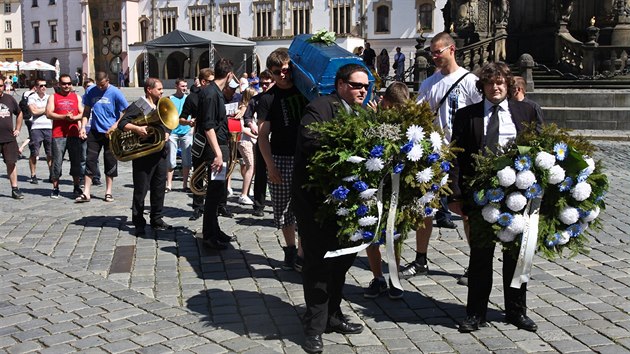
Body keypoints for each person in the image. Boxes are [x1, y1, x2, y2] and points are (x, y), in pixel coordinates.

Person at [448, 62, 540, 333]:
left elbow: (540, 152)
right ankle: (476, 313)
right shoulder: (467, 115)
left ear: (509, 85)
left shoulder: (527, 111)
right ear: (482, 87)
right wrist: (455, 193)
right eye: (490, 83)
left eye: (500, 82)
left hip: (518, 196)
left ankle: (516, 311)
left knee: (516, 256)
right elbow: (456, 156)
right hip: (480, 196)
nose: (495, 87)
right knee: (480, 257)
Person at [293, 63, 369, 354]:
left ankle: (333, 316)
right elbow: (312, 142)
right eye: (356, 85)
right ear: (340, 84)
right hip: (317, 204)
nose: (362, 90)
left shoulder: (362, 113)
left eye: (365, 86)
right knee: (318, 264)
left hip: (350, 204)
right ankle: (313, 328)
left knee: (343, 261)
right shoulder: (320, 107)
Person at [401, 32, 482, 285]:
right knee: (424, 208)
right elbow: (417, 114)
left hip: (461, 156)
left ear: (452, 49)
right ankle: (421, 259)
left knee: (467, 213)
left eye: (438, 52)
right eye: (432, 53)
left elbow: (482, 115)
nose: (434, 57)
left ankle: (474, 265)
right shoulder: (429, 84)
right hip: (434, 156)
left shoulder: (470, 81)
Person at [256, 48, 309, 271]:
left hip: (304, 155)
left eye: (286, 70)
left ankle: (302, 253)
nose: (283, 75)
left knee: (305, 207)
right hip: (280, 157)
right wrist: (270, 165)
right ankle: (290, 248)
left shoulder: (304, 90)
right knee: (284, 209)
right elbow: (262, 136)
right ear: (271, 73)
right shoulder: (268, 98)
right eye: (278, 72)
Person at [364, 82, 409, 300]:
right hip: (374, 184)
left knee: (395, 234)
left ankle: (394, 277)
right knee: (371, 232)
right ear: (386, 102)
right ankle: (378, 277)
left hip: (397, 187)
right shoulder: (371, 118)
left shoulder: (407, 123)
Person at [118, 78, 172, 236]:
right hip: (143, 154)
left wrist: (168, 133)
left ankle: (157, 219)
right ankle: (138, 222)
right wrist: (137, 129)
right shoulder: (138, 105)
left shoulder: (162, 104)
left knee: (159, 188)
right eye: (159, 89)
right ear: (149, 89)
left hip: (160, 152)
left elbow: (169, 123)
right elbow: (122, 123)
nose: (162, 92)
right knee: (141, 190)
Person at [198, 59, 236, 250]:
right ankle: (209, 236)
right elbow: (208, 126)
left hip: (221, 146)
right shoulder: (211, 94)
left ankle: (215, 230)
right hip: (216, 149)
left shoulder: (216, 92)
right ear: (229, 75)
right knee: (214, 193)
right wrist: (218, 154)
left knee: (219, 191)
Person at [77, 72, 128, 203]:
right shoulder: (90, 91)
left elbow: (126, 112)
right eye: (98, 85)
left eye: (103, 85)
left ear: (108, 81)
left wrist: (115, 126)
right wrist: (83, 127)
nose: (100, 87)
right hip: (95, 131)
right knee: (90, 159)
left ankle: (108, 191)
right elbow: (86, 111)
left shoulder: (115, 92)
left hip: (111, 133)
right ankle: (86, 192)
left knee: (110, 161)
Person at [45, 74, 85, 199]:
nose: (66, 86)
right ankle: (55, 187)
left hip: (73, 133)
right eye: (64, 83)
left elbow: (82, 113)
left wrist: (73, 118)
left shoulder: (76, 97)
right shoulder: (54, 97)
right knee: (57, 162)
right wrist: (63, 117)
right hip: (58, 134)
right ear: (59, 84)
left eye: (68, 83)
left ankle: (76, 186)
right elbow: (48, 113)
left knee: (76, 161)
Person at [185, 68, 214, 221]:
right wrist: (189, 121)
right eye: (210, 82)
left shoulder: (215, 94)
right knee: (197, 174)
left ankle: (217, 205)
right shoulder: (192, 98)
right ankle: (197, 207)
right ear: (203, 82)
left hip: (214, 139)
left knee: (215, 175)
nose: (213, 84)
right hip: (199, 140)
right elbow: (182, 117)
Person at [243, 69, 273, 217]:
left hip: (278, 140)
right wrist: (251, 125)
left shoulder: (278, 98)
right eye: (262, 83)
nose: (265, 86)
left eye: (268, 83)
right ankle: (259, 204)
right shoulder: (256, 99)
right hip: (262, 139)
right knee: (260, 172)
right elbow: (247, 116)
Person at [0, 74, 25, 199]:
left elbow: (19, 113)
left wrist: (18, 128)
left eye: (0, 86)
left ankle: (15, 189)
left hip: (8, 138)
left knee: (11, 163)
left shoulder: (9, 99)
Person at [166, 79, 192, 192]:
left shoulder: (189, 98)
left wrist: (192, 129)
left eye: (186, 86)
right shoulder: (170, 99)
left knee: (187, 160)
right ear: (176, 86)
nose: (184, 88)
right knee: (171, 160)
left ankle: (185, 185)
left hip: (186, 131)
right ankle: (169, 184)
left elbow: (193, 113)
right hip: (173, 132)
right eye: (182, 86)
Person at [27, 79, 53, 184]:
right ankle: (33, 175)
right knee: (34, 152)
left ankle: (52, 174)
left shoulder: (49, 97)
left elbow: (52, 110)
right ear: (36, 87)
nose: (43, 87)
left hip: (49, 126)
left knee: (50, 153)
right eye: (41, 86)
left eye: (45, 85)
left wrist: (41, 109)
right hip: (36, 128)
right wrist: (47, 109)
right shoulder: (32, 97)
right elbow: (33, 111)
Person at [236, 87, 258, 205]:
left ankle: (247, 189)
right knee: (251, 166)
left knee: (250, 167)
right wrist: (255, 135)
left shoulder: (250, 108)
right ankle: (243, 194)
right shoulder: (243, 108)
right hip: (245, 141)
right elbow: (242, 128)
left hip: (250, 140)